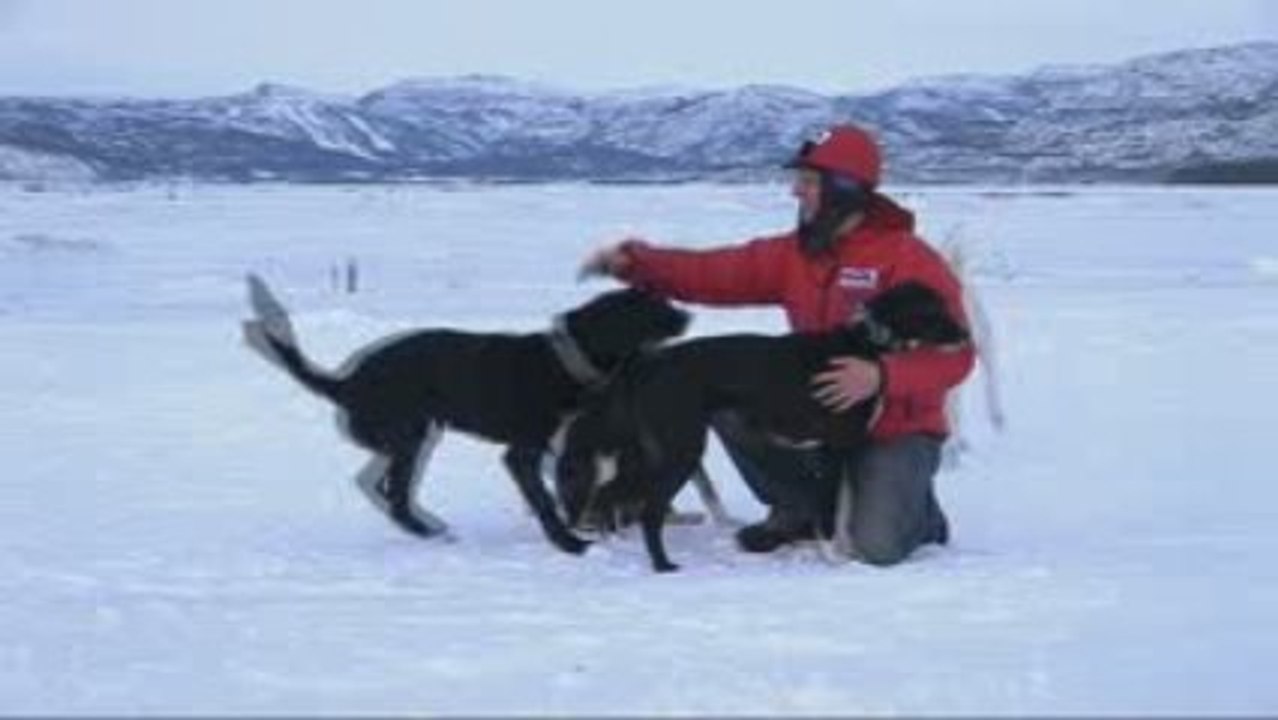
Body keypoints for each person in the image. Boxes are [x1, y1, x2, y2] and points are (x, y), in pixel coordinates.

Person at [580, 124, 974, 566]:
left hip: (895, 428)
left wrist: (882, 376)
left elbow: (957, 355)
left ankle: (917, 514)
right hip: (819, 414)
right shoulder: (796, 254)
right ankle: (800, 506)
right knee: (732, 395)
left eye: (808, 183)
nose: (795, 193)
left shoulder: (909, 259)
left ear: (845, 189)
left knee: (874, 547)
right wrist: (640, 265)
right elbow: (716, 272)